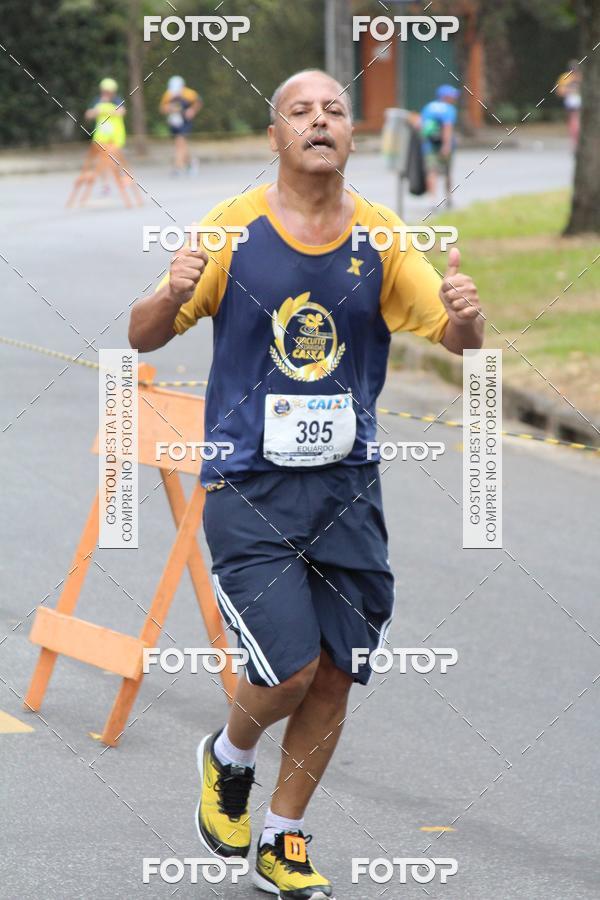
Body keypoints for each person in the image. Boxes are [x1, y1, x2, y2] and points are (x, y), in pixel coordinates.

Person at [129, 69, 483, 900]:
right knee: (288, 669)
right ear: (275, 136)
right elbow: (143, 334)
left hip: (348, 492)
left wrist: (468, 315)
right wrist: (171, 290)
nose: (319, 121)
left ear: (353, 135)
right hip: (250, 484)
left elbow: (457, 338)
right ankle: (228, 757)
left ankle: (283, 838)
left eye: (333, 111)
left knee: (335, 673)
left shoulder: (384, 237)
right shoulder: (232, 230)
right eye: (300, 112)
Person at [419, 84, 460, 207]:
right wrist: (446, 146)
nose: (454, 99)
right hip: (444, 145)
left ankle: (432, 199)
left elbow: (421, 126)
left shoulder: (428, 107)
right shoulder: (449, 109)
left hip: (429, 145)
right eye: (452, 96)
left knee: (431, 171)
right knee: (447, 171)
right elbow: (447, 127)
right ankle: (448, 197)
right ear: (446, 97)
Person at [159, 75, 202, 173]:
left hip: (186, 121)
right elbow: (162, 108)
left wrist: (192, 110)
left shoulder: (189, 93)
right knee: (181, 143)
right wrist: (169, 108)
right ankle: (191, 162)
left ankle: (177, 166)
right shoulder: (168, 94)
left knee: (180, 141)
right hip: (175, 122)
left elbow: (198, 102)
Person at [85, 77, 126, 149]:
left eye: (108, 91)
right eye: (104, 91)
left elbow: (122, 112)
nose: (106, 93)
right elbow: (88, 115)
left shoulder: (117, 100)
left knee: (112, 156)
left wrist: (104, 110)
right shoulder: (97, 100)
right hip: (100, 137)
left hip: (116, 137)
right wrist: (96, 111)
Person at [556, 60, 582, 149]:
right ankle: (575, 141)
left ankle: (577, 140)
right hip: (571, 104)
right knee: (574, 122)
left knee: (578, 123)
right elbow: (559, 91)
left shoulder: (581, 77)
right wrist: (570, 90)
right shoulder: (565, 77)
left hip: (581, 104)